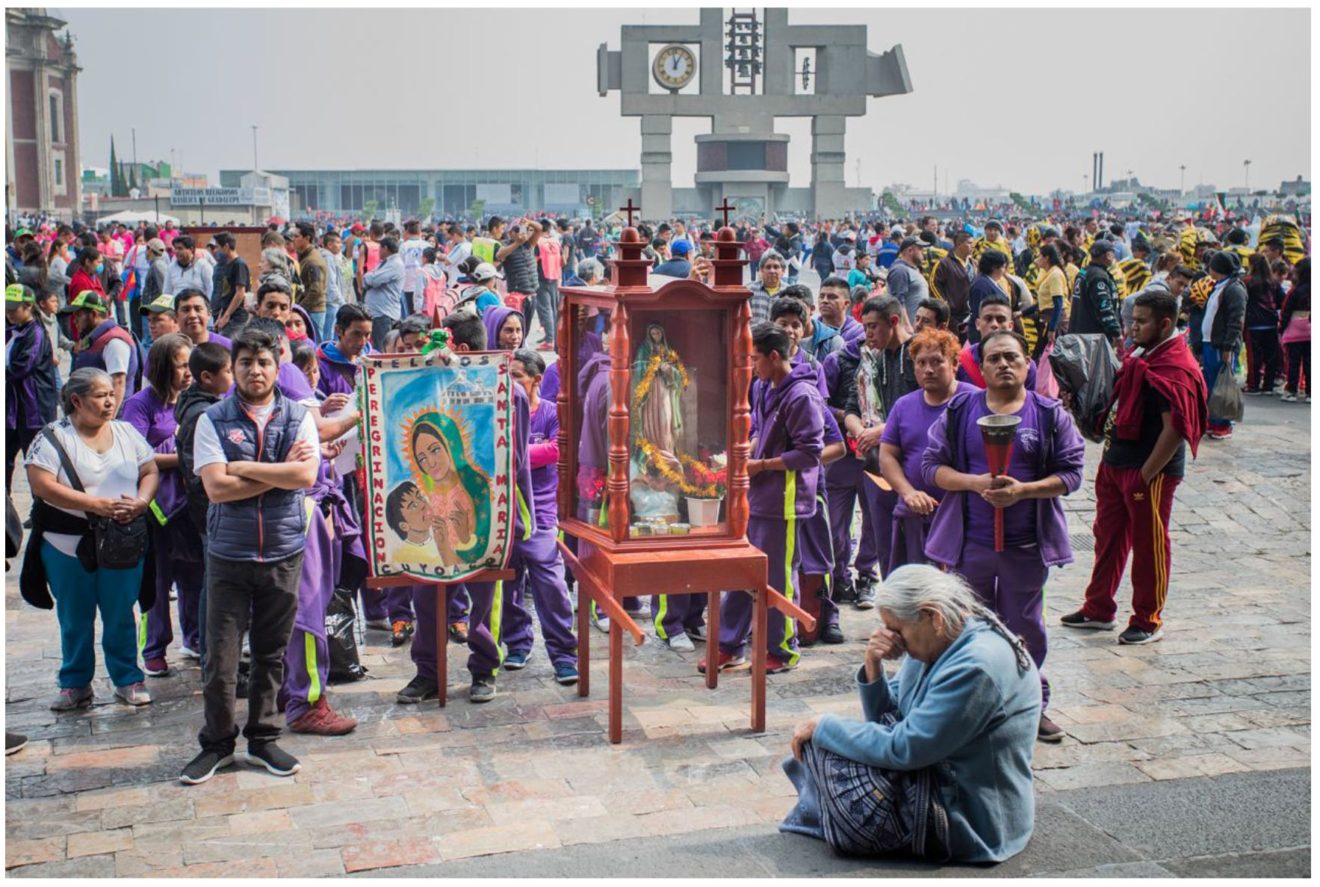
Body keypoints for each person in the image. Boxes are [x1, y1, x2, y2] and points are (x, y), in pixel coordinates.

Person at [782, 565, 1040, 863]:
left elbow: (905, 747)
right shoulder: (941, 639)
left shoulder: (976, 667)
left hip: (972, 822)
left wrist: (825, 726)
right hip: (936, 775)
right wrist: (873, 666)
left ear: (932, 616)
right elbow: (890, 720)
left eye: (897, 630)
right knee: (827, 748)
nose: (894, 640)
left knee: (827, 744)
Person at [921, 330, 1085, 743]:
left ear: (1028, 363)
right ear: (982, 367)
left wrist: (1024, 491)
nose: (1003, 365)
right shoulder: (960, 411)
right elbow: (931, 467)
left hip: (1024, 546)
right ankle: (974, 708)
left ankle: (1031, 706)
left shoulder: (1048, 415)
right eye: (994, 359)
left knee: (1025, 628)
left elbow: (1071, 474)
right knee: (970, 628)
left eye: (1012, 357)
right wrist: (974, 483)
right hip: (969, 544)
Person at [180, 326, 321, 785]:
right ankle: (218, 744)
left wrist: (242, 467)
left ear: (277, 367)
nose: (255, 370)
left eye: (263, 362)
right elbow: (217, 488)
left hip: (283, 550)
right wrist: (279, 473)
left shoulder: (298, 416)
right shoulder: (213, 420)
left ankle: (263, 738)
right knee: (219, 661)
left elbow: (306, 476)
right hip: (229, 554)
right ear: (233, 368)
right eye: (245, 363)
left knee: (270, 653)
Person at [1061, 289, 1207, 645]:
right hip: (1116, 460)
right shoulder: (1142, 352)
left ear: (1165, 324)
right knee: (1107, 538)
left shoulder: (1175, 365)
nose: (1133, 328)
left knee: (1148, 545)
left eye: (1141, 322)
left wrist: (1145, 476)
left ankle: (1147, 618)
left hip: (1148, 471)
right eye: (1132, 320)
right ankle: (1098, 607)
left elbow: (1175, 429)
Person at [23, 368, 160, 711]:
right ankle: (75, 682)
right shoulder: (53, 437)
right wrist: (95, 505)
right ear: (76, 400)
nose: (110, 401)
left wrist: (142, 501)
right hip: (66, 545)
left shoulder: (126, 432)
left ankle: (128, 678)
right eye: (100, 396)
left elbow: (149, 470)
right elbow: (41, 485)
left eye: (112, 394)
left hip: (122, 542)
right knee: (74, 617)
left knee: (120, 613)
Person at [702, 323, 824, 674]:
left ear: (774, 356)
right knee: (743, 571)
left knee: (778, 577)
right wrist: (746, 454)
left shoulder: (802, 396)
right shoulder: (762, 387)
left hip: (785, 502)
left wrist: (762, 465)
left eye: (755, 358)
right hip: (757, 496)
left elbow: (810, 453)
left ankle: (783, 650)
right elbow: (759, 429)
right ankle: (730, 644)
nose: (751, 365)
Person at [122, 334, 204, 673]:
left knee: (193, 574)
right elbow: (136, 455)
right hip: (154, 508)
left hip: (189, 504)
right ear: (161, 368)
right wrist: (183, 458)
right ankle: (154, 648)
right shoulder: (140, 404)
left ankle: (195, 638)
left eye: (189, 365)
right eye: (180, 366)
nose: (187, 373)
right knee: (157, 579)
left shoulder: (192, 400)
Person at [498, 348, 578, 683]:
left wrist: (512, 453)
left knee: (550, 584)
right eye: (507, 376)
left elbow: (558, 449)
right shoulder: (499, 413)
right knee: (509, 583)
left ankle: (564, 655)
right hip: (505, 511)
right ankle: (517, 644)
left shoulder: (551, 413)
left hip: (541, 512)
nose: (510, 383)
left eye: (517, 376)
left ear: (536, 380)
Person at [878, 329, 977, 571]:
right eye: (921, 363)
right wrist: (908, 493)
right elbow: (887, 456)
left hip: (964, 517)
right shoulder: (903, 406)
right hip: (915, 516)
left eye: (937, 362)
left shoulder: (975, 401)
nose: (928, 370)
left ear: (954, 364)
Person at [841, 296, 919, 596]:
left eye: (873, 326)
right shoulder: (870, 360)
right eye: (865, 327)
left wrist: (882, 431)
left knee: (916, 545)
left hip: (913, 464)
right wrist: (861, 431)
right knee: (885, 541)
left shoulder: (918, 355)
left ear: (894, 321)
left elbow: (928, 407)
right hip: (876, 463)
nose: (868, 334)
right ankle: (894, 605)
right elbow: (851, 407)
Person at [6, 284, 59, 488]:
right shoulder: (13, 330)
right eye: (7, 309)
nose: (9, 313)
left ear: (28, 307)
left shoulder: (35, 333)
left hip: (33, 409)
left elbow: (22, 366)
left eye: (14, 309)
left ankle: (41, 503)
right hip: (13, 408)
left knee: (38, 463)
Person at [63, 290, 139, 413]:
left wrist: (110, 420)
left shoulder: (114, 342)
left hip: (108, 416)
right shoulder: (95, 338)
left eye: (78, 316)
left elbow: (118, 383)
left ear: (94, 314)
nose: (74, 321)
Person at [1200, 251, 1248, 440]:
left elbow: (1236, 320)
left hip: (1221, 346)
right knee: (1211, 383)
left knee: (1222, 386)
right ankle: (1213, 421)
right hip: (1209, 342)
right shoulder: (1219, 286)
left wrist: (1228, 347)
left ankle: (1223, 424)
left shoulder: (1234, 289)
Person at [956, 294, 1039, 390]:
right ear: (978, 324)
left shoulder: (1025, 364)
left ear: (1010, 326)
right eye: (988, 319)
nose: (994, 324)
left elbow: (1029, 398)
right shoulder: (960, 361)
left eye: (1000, 320)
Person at [1242, 253, 1284, 396]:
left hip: (1253, 324)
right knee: (1271, 356)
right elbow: (1281, 301)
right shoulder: (1273, 282)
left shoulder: (1247, 282)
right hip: (1271, 323)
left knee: (1254, 356)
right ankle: (1268, 385)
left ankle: (1253, 385)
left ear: (1251, 264)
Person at [1069, 240, 1121, 347]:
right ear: (1107, 255)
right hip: (1093, 339)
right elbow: (1104, 306)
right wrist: (1115, 332)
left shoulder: (1083, 272)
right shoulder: (1098, 276)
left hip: (1078, 334)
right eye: (1112, 253)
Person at [316, 303, 373, 398]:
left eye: (367, 335)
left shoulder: (375, 360)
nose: (362, 342)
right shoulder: (320, 367)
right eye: (356, 334)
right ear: (338, 330)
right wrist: (324, 405)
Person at [362, 236, 404, 349]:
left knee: (382, 347)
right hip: (379, 312)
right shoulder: (386, 263)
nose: (378, 251)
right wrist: (369, 277)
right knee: (378, 345)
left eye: (380, 248)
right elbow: (369, 277)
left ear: (385, 248)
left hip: (384, 313)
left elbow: (373, 280)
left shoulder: (395, 264)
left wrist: (369, 277)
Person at [1278, 257, 1310, 403]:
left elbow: (1286, 311)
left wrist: (1281, 329)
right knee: (1310, 362)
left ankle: (1291, 390)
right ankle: (1310, 392)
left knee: (1293, 362)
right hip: (1311, 330)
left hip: (1295, 331)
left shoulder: (1295, 291)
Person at [932, 233, 975, 334]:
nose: (972, 246)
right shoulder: (944, 263)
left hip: (969, 314)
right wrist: (945, 305)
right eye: (969, 243)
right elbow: (934, 285)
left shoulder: (973, 263)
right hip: (952, 316)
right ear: (959, 244)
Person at [292, 222, 328, 337]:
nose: (293, 239)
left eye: (296, 236)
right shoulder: (305, 257)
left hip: (313, 310)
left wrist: (300, 308)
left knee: (315, 341)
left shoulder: (313, 261)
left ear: (307, 238)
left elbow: (316, 291)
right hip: (309, 309)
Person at [210, 232, 251, 334]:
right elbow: (226, 294)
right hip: (225, 314)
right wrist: (221, 316)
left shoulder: (239, 264)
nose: (216, 251)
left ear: (226, 246)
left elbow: (240, 292)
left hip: (237, 317)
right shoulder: (227, 265)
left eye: (218, 247)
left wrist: (226, 316)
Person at [1034, 243, 1070, 355]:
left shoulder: (1055, 275)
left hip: (1054, 321)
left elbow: (1058, 303)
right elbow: (1045, 302)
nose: (1036, 259)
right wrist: (1022, 312)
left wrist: (1052, 329)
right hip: (1049, 320)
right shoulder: (1049, 273)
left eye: (1039, 256)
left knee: (1048, 357)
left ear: (1046, 258)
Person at [886, 237, 929, 328]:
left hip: (917, 327)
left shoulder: (912, 269)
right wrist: (907, 327)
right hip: (909, 329)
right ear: (910, 250)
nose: (923, 252)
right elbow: (897, 301)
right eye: (920, 249)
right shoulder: (900, 270)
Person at [747, 252, 786, 326]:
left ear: (783, 271)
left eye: (776, 267)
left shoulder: (789, 293)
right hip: (755, 332)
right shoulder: (750, 290)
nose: (772, 271)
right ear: (761, 270)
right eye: (768, 267)